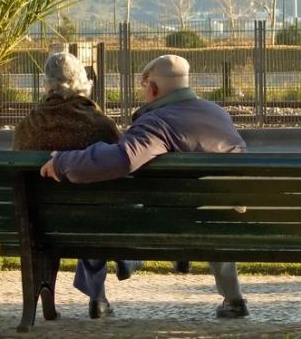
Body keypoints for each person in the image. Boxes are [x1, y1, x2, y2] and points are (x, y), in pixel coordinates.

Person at [40, 54, 249, 318]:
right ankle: (234, 298)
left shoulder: (157, 122)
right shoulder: (217, 113)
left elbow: (123, 158)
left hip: (173, 222)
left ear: (153, 88)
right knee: (215, 206)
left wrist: (62, 163)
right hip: (226, 219)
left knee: (105, 207)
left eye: (144, 85)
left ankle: (127, 259)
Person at [13, 52, 141, 319]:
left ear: (46, 84)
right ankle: (101, 293)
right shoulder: (99, 124)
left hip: (39, 224)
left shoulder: (27, 127)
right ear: (82, 81)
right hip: (94, 220)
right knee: (95, 207)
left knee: (82, 210)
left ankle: (48, 305)